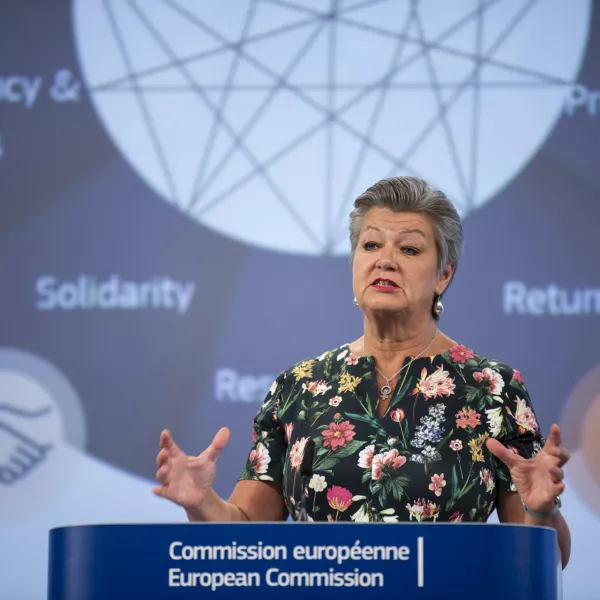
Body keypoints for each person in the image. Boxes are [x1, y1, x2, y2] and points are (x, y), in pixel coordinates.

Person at [153, 176, 571, 567]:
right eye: (371, 246)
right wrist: (201, 502)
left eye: (408, 249)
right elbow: (246, 535)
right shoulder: (299, 387)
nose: (385, 260)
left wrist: (541, 510)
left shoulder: (492, 390)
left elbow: (544, 558)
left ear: (444, 274)